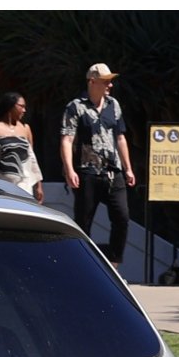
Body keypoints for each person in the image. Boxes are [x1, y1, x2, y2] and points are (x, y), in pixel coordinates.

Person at [60, 63, 136, 266]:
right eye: (105, 81)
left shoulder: (113, 104)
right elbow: (67, 139)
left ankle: (114, 263)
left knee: (122, 217)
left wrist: (128, 168)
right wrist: (69, 170)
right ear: (92, 81)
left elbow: (120, 138)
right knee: (83, 221)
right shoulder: (76, 106)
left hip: (113, 171)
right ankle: (80, 264)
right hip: (87, 171)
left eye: (110, 81)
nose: (110, 85)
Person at [0, 91, 44, 202]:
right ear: (10, 106)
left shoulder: (25, 128)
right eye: (21, 106)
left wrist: (38, 186)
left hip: (24, 185)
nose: (24, 110)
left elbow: (32, 159)